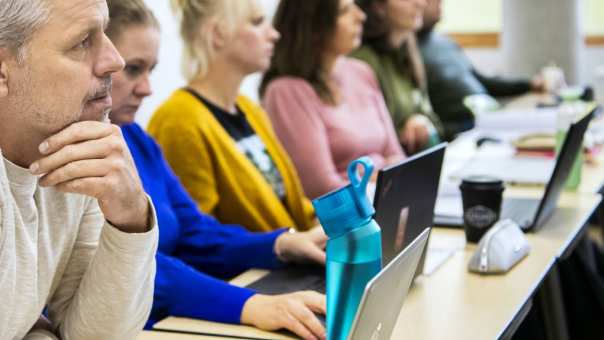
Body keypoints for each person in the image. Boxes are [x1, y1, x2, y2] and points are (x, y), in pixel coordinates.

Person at [107, 1, 327, 339]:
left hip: (173, 312)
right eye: (133, 69)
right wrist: (248, 303)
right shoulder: (80, 153)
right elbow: (132, 266)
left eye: (151, 70)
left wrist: (280, 244)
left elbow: (195, 232)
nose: (148, 88)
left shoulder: (136, 137)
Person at [0, 0, 159, 339]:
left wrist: (130, 216)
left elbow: (97, 335)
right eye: (83, 42)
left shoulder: (73, 146)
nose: (114, 61)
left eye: (104, 33)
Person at [147, 0, 315, 233]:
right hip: (255, 268)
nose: (274, 34)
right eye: (256, 22)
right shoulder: (178, 120)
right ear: (218, 35)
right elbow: (199, 236)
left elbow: (289, 204)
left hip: (290, 258)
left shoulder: (247, 108)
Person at [261, 0, 405, 199]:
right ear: (313, 26)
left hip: (385, 204)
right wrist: (383, 179)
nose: (361, 16)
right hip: (345, 222)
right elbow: (321, 188)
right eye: (344, 11)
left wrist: (379, 180)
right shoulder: (285, 91)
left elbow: (397, 155)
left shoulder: (362, 71)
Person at [417, 0, 544, 139]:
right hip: (464, 129)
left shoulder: (446, 43)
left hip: (490, 117)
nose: (439, 1)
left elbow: (482, 81)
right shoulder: (409, 51)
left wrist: (529, 84)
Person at [352, 0, 444, 150]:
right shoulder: (363, 61)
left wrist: (422, 121)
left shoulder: (407, 53)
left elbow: (436, 126)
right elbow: (371, 141)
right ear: (378, 5)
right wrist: (406, 133)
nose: (421, 3)